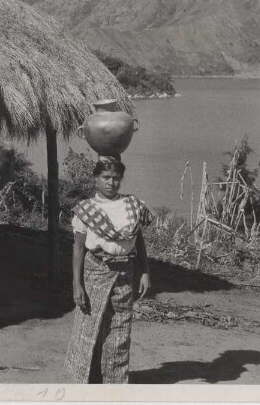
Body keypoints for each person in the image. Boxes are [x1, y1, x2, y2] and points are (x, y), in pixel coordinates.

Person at [65, 156, 153, 384]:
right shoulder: (86, 210)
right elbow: (78, 248)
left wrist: (144, 272)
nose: (111, 183)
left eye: (116, 178)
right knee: (89, 327)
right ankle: (87, 381)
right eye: (106, 177)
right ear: (96, 178)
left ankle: (114, 384)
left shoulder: (132, 206)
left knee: (119, 330)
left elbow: (139, 241)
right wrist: (77, 284)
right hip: (95, 271)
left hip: (125, 271)